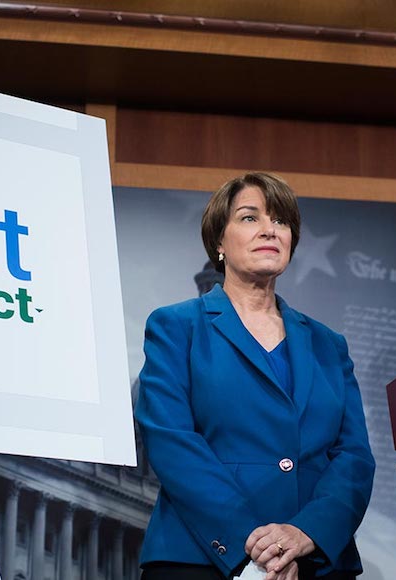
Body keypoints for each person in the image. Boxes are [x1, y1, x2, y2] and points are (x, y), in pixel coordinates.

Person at [135, 172, 376, 580]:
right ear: (218, 241)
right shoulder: (175, 326)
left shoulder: (328, 345)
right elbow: (172, 441)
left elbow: (354, 458)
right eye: (250, 218)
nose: (269, 229)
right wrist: (253, 550)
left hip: (313, 563)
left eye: (281, 221)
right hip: (202, 560)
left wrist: (304, 533)